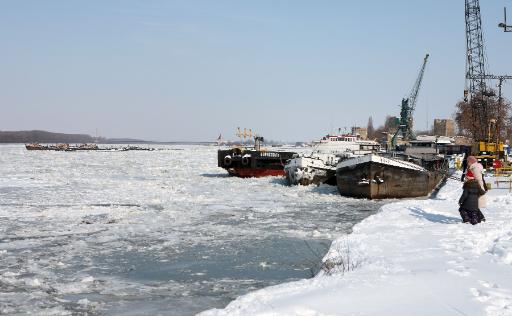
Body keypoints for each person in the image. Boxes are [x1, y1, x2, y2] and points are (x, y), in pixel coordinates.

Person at [459, 156, 486, 224]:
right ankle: (479, 218)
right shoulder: (474, 167)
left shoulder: (475, 168)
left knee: (472, 206)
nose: (467, 163)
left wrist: (474, 186)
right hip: (477, 188)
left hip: (476, 188)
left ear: (470, 162)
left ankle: (469, 219)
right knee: (474, 205)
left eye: (468, 162)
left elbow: (478, 179)